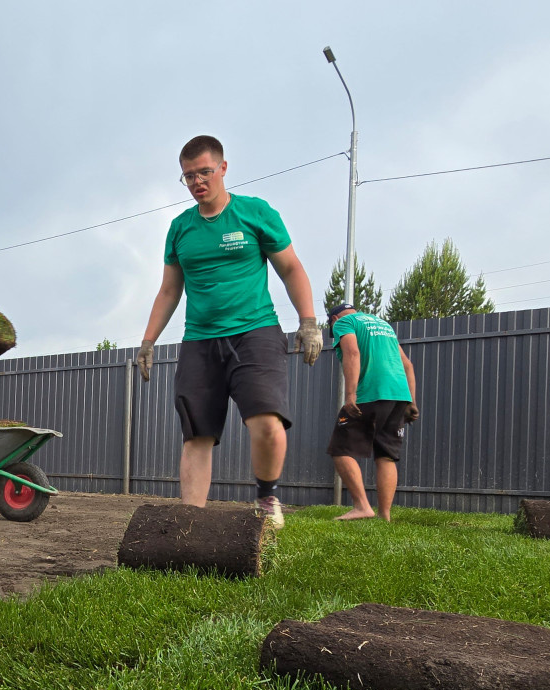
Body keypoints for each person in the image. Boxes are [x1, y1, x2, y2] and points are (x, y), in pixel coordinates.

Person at [136, 135, 323, 528]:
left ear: (223, 168)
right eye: (189, 176)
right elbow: (169, 290)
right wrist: (148, 341)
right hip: (199, 341)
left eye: (204, 172)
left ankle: (266, 497)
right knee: (197, 434)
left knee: (267, 423)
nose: (197, 182)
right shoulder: (180, 228)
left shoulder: (255, 213)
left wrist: (308, 321)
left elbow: (291, 267)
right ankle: (190, 523)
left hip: (255, 332)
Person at [325, 302, 419, 521]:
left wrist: (350, 395)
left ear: (334, 320)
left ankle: (362, 507)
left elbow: (352, 353)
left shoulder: (344, 323)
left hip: (370, 393)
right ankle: (385, 516)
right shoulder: (384, 325)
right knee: (386, 455)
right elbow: (408, 365)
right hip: (399, 396)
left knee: (340, 449)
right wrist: (412, 402)